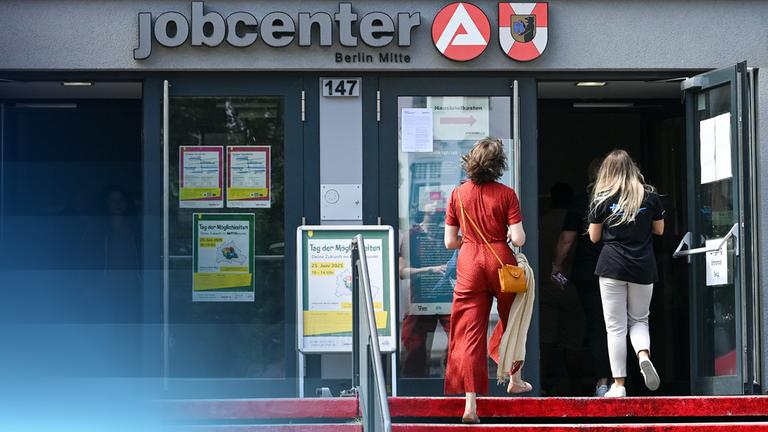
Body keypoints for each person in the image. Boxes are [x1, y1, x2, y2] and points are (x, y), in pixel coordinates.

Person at [443, 137, 526, 424]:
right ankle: (514, 378)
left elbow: (449, 242)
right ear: (498, 165)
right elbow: (518, 238)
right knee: (512, 318)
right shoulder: (507, 194)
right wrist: (502, 236)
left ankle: (470, 404)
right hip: (500, 259)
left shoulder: (457, 195)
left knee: (469, 334)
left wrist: (471, 239)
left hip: (469, 264)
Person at [587, 150, 665, 397]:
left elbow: (594, 236)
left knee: (615, 327)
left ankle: (618, 385)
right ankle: (643, 354)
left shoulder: (601, 199)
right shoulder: (650, 197)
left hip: (612, 267)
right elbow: (660, 230)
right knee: (640, 320)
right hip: (643, 266)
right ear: (633, 169)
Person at [552, 158, 612, 397]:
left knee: (598, 326)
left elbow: (567, 240)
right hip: (623, 271)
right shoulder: (624, 200)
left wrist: (556, 266)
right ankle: (621, 380)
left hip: (589, 272)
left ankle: (602, 382)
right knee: (623, 326)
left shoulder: (581, 202)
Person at [540, 182, 585, 396]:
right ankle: (576, 387)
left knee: (546, 337)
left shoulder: (540, 220)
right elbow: (568, 243)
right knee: (573, 338)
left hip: (543, 284)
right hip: (568, 284)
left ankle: (541, 382)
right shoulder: (573, 219)